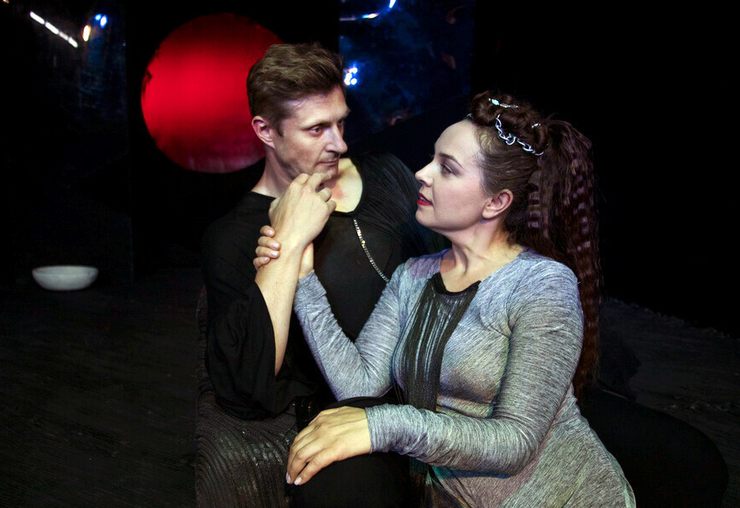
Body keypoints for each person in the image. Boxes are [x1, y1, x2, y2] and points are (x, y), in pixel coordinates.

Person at [256, 91, 636, 506]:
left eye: (447, 168)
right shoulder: (413, 276)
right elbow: (359, 383)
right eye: (431, 159)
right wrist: (303, 274)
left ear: (496, 202)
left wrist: (383, 425)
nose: (421, 174)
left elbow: (513, 442)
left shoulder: (541, 285)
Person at [199, 43, 433, 506]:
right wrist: (288, 244)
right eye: (317, 129)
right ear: (266, 131)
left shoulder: (384, 173)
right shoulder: (235, 236)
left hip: (436, 375)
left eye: (341, 123)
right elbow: (247, 387)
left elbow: (443, 267)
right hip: (347, 409)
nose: (340, 143)